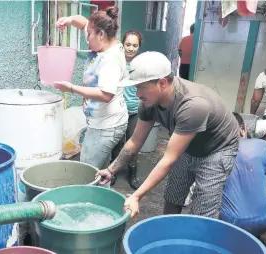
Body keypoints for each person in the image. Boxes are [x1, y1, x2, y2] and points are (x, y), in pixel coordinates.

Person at [97, 51, 240, 219]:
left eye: (141, 87)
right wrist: (111, 169)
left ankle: (198, 240)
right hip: (189, 145)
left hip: (217, 149)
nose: (137, 94)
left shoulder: (193, 105)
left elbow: (168, 159)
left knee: (203, 209)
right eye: (136, 87)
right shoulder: (148, 102)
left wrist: (136, 196)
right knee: (173, 196)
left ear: (162, 83)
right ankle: (169, 231)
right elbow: (135, 141)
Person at [54, 6, 128, 183]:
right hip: (104, 120)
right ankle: (104, 202)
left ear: (101, 35)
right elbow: (84, 23)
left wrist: (71, 88)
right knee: (102, 173)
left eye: (89, 35)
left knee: (87, 172)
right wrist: (70, 19)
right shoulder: (105, 39)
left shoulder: (110, 60)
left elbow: (105, 94)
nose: (86, 38)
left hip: (106, 125)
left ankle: (88, 204)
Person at [220, 113, 266, 236]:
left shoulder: (215, 150)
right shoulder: (260, 145)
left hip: (227, 220)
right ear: (243, 130)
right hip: (262, 221)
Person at [110, 30, 143, 189]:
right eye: (128, 44)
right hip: (118, 109)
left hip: (135, 110)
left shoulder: (142, 64)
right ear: (123, 44)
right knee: (116, 142)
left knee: (133, 143)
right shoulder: (118, 62)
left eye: (135, 45)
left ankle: (133, 174)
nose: (131, 48)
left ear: (139, 46)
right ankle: (113, 172)